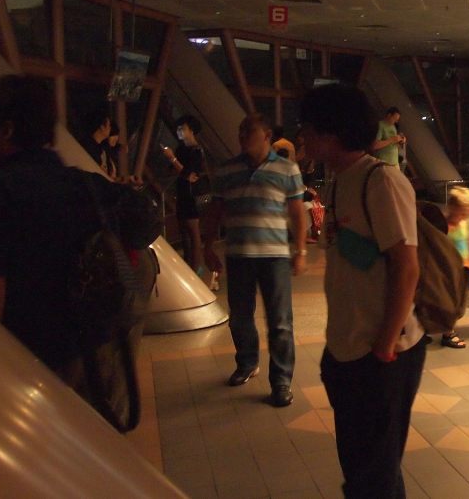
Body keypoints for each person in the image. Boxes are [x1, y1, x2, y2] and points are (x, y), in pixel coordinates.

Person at [0, 75, 157, 401]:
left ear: (6, 130)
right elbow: (144, 217)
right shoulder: (85, 185)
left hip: (31, 357)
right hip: (94, 345)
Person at [299, 83, 424, 499]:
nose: (302, 137)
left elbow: (407, 268)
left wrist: (384, 348)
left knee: (372, 476)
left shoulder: (381, 181)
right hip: (348, 349)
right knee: (367, 468)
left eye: (308, 128)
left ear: (330, 133)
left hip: (383, 353)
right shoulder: (337, 183)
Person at [202, 114, 306, 408]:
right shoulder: (226, 170)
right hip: (239, 256)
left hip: (275, 257)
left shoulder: (287, 169)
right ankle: (247, 363)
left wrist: (301, 251)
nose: (243, 136)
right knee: (240, 317)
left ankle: (281, 381)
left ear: (267, 135)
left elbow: (298, 213)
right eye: (240, 131)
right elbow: (215, 212)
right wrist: (207, 246)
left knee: (281, 322)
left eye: (249, 131)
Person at [162, 115, 212, 288]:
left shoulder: (197, 151)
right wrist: (174, 162)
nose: (179, 132)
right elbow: (175, 171)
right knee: (184, 232)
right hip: (182, 194)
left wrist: (172, 159)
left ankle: (197, 271)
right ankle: (189, 268)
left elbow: (189, 175)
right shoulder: (181, 149)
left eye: (182, 128)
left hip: (193, 196)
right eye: (177, 129)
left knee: (193, 233)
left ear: (191, 130)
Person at [441, 186, 469, 349]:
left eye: (467, 212)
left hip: (464, 269)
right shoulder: (444, 227)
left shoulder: (463, 223)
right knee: (450, 303)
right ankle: (448, 332)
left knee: (460, 303)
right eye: (462, 211)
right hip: (449, 271)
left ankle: (448, 328)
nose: (465, 215)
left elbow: (466, 244)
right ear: (452, 208)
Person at [80, 106, 112, 172]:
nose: (110, 128)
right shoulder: (90, 148)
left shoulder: (99, 148)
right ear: (102, 127)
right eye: (109, 125)